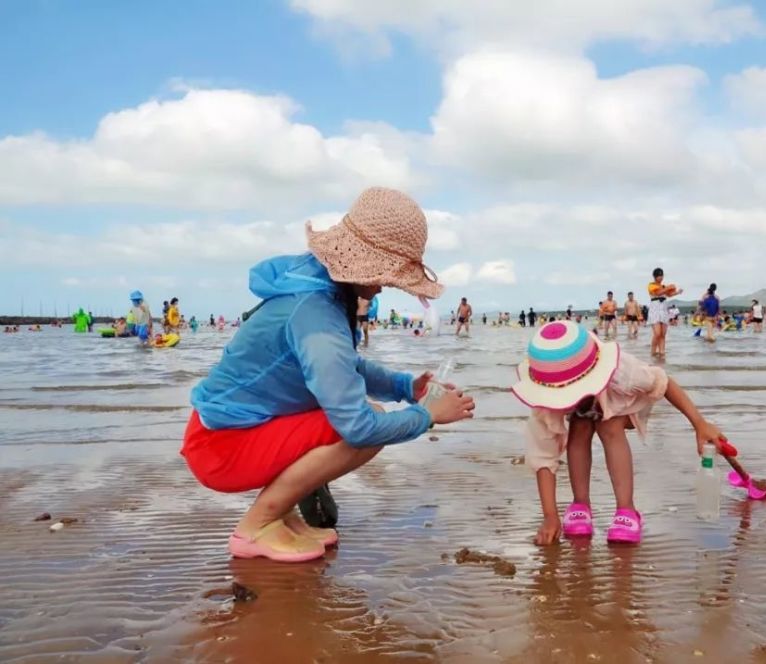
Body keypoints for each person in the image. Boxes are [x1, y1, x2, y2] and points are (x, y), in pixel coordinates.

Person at [182, 187, 476, 563]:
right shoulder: (316, 315)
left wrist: (406, 387)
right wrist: (428, 416)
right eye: (387, 275)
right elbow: (358, 428)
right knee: (367, 426)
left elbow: (345, 366)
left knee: (361, 413)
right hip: (220, 446)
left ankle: (280, 515)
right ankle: (256, 527)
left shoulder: (318, 291)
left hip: (231, 431)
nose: (386, 284)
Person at [512, 320, 724, 545]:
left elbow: (664, 383)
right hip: (582, 412)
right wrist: (550, 516)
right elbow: (542, 454)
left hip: (624, 402)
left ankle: (626, 509)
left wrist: (699, 424)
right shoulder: (546, 398)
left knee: (608, 425)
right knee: (580, 425)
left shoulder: (623, 372)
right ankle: (580, 504)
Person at [647, 268, 678, 357]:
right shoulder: (651, 285)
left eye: (661, 275)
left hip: (663, 309)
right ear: (654, 277)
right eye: (658, 276)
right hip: (655, 309)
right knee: (657, 333)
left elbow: (669, 294)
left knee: (663, 334)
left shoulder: (664, 286)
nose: (660, 277)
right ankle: (652, 352)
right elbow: (658, 293)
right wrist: (668, 287)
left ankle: (662, 352)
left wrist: (677, 292)